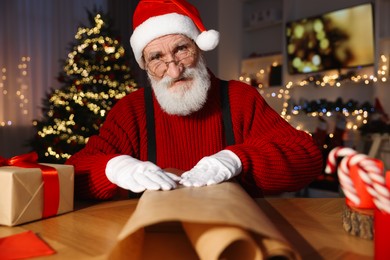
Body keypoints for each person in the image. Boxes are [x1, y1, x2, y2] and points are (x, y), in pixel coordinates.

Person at [66, 0, 323, 200]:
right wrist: (116, 168)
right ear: (145, 66)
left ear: (199, 47)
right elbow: (73, 173)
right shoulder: (131, 110)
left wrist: (236, 160)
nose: (175, 70)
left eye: (181, 49)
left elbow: (307, 157)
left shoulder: (240, 98)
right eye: (157, 58)